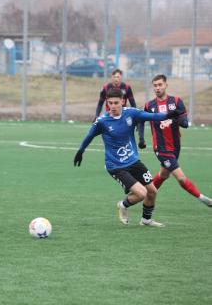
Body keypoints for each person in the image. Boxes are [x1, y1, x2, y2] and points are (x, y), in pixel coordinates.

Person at [74, 88, 183, 227]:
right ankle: (123, 205)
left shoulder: (131, 113)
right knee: (141, 193)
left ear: (122, 101)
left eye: (115, 103)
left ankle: (146, 220)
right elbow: (89, 136)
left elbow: (151, 116)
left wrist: (168, 115)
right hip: (116, 166)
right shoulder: (102, 121)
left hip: (133, 161)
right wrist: (80, 151)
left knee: (152, 191)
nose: (112, 106)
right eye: (110, 103)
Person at [144, 74, 212, 207]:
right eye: (155, 86)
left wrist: (172, 119)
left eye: (160, 85)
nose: (157, 88)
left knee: (163, 174)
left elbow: (185, 123)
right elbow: (140, 121)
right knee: (180, 177)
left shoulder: (176, 102)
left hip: (175, 146)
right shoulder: (149, 105)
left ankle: (146, 193)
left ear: (166, 85)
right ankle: (204, 199)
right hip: (161, 148)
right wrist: (141, 138)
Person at [95, 69, 146, 149]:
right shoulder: (106, 88)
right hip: (110, 116)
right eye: (114, 77)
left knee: (125, 133)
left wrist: (136, 116)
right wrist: (96, 115)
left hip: (122, 115)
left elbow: (132, 102)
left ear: (121, 77)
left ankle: (137, 141)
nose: (116, 78)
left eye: (118, 77)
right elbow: (100, 103)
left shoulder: (126, 87)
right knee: (110, 135)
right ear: (112, 77)